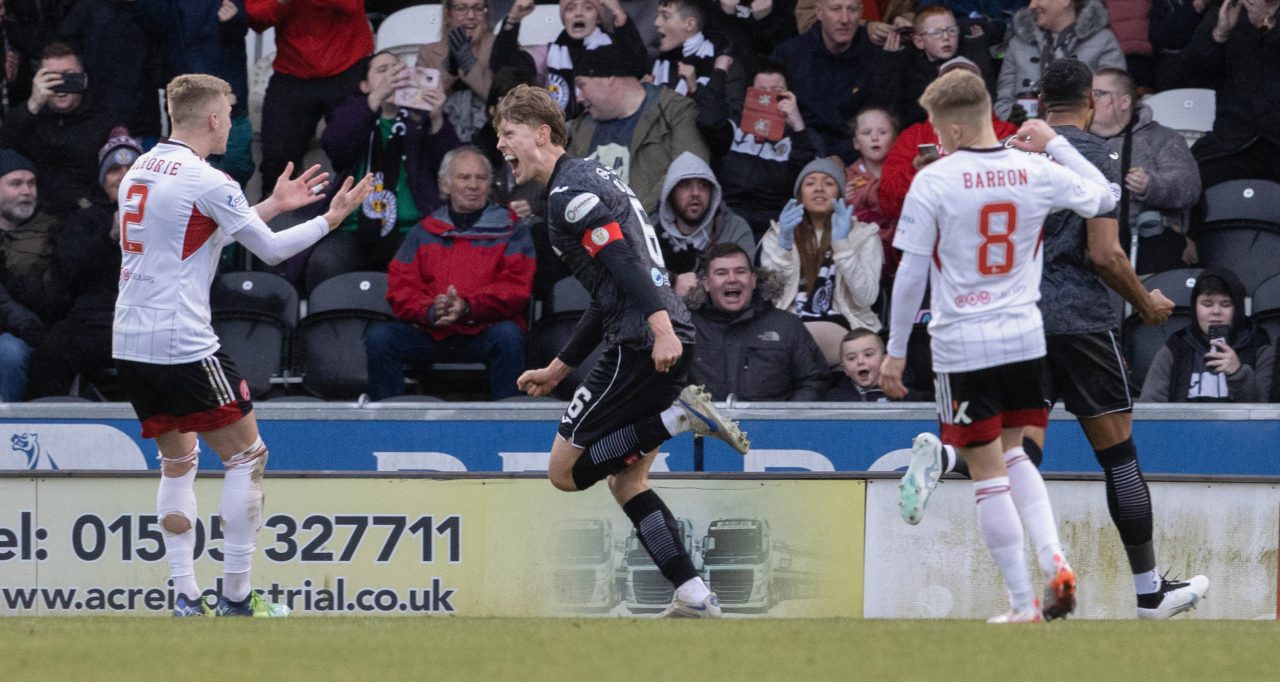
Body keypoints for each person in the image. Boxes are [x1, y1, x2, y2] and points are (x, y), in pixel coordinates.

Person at [895, 60, 1212, 621]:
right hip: (1083, 322)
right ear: (1090, 100)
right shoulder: (1095, 154)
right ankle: (1148, 594)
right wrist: (1145, 302)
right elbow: (1105, 252)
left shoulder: (1009, 151)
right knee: (1118, 457)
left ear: (1039, 101)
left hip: (1018, 322)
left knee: (1010, 453)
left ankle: (949, 457)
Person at [113, 74, 372, 617]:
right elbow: (273, 254)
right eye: (229, 113)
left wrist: (274, 203)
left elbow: (201, 231)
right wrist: (330, 219)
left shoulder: (140, 167)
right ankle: (235, 597)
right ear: (212, 120)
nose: (232, 123)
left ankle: (185, 596)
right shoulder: (210, 179)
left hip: (131, 339)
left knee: (178, 462)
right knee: (247, 457)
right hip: (182, 339)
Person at [495, 83, 749, 618]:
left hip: (642, 340)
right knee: (628, 481)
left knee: (565, 472)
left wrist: (658, 328)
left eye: (508, 134)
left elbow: (625, 266)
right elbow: (609, 286)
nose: (501, 146)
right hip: (661, 333)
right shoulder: (591, 178)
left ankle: (679, 419)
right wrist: (559, 366)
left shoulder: (568, 196)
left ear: (542, 134)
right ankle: (693, 594)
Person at [881, 68, 1119, 623]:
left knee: (987, 472)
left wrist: (894, 351)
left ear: (954, 129)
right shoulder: (1033, 168)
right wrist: (1055, 141)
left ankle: (1021, 604)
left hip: (962, 345)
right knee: (1017, 455)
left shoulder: (935, 182)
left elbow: (912, 274)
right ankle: (1054, 557)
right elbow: (1104, 197)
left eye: (938, 128)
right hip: (1024, 338)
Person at [365, 146, 534, 401]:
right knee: (380, 338)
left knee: (509, 336)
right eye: (464, 178)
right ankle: (387, 421)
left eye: (481, 178)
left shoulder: (512, 228)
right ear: (445, 185)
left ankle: (508, 423)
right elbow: (401, 288)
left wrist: (467, 307)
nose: (473, 185)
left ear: (490, 184)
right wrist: (431, 310)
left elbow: (515, 288)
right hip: (432, 330)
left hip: (484, 330)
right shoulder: (423, 231)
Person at [321, 50, 460, 273]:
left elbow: (452, 168)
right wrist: (376, 98)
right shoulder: (352, 114)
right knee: (324, 263)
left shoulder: (422, 120)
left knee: (420, 266)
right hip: (351, 226)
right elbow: (335, 144)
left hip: (411, 227)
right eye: (383, 71)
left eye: (398, 71)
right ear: (365, 86)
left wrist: (436, 118)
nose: (392, 77)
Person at [25, 134, 140, 400]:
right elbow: (71, 271)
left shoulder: (164, 214)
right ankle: (42, 429)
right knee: (51, 353)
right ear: (102, 179)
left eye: (131, 169)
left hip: (145, 319)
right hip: (94, 320)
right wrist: (108, 236)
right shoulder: (83, 219)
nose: (123, 176)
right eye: (114, 170)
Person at [761, 157, 883, 363]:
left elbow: (867, 297)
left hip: (847, 328)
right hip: (788, 325)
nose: (819, 189)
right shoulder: (776, 235)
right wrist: (784, 247)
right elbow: (771, 298)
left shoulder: (865, 235)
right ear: (800, 195)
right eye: (810, 183)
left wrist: (843, 244)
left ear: (841, 193)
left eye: (829, 183)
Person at [247, 0, 373, 198]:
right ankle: (273, 218)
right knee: (277, 156)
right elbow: (256, 19)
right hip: (292, 70)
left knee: (353, 147)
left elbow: (351, 6)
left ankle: (353, 215)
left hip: (348, 66)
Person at [566, 42, 710, 213]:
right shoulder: (582, 126)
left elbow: (690, 171)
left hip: (651, 231)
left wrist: (633, 220)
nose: (580, 98)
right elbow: (567, 186)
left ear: (608, 78)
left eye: (582, 85)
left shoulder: (675, 112)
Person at [879, 57, 1019, 225]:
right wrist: (915, 173)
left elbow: (1021, 191)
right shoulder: (915, 135)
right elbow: (888, 203)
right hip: (933, 238)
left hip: (984, 233)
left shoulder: (1005, 132)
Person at [1088, 67, 1201, 274]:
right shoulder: (1073, 142)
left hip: (1145, 243)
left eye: (1098, 94)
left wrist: (1151, 185)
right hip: (1086, 245)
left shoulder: (1162, 138)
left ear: (1124, 102)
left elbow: (1189, 187)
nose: (1088, 100)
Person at [694, 56, 819, 240]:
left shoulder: (801, 137)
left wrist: (797, 123)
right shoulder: (735, 129)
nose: (769, 99)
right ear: (749, 96)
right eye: (761, 92)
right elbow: (707, 120)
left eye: (777, 92)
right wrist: (720, 72)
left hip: (774, 229)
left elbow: (807, 177)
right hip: (727, 222)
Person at [686, 243, 829, 401]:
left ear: (753, 280)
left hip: (774, 424)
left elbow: (814, 380)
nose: (732, 279)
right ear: (706, 283)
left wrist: (789, 419)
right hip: (705, 425)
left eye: (740, 272)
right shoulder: (687, 327)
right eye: (721, 273)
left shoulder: (786, 325)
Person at [0, 42, 116, 217]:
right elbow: (4, 151)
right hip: (30, 218)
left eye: (69, 77)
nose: (61, 85)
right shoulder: (24, 118)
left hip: (85, 218)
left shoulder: (105, 123)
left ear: (83, 81)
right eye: (51, 78)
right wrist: (32, 106)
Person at [1179, 0, 1280, 189]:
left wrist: (1268, 24)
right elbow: (1189, 73)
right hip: (1232, 141)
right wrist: (1219, 34)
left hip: (1275, 139)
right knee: (1190, 180)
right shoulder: (1229, 9)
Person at [493, 0, 647, 121]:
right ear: (563, 18)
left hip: (605, 128)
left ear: (598, 17)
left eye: (588, 7)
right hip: (560, 135)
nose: (578, 14)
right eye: (570, 8)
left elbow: (640, 67)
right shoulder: (549, 52)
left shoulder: (615, 48)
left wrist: (619, 15)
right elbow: (503, 66)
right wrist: (512, 20)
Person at [772, 0, 888, 161]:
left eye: (852, 9)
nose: (845, 19)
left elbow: (879, 120)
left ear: (861, 12)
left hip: (856, 157)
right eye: (836, 9)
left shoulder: (877, 58)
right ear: (819, 12)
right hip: (798, 153)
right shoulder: (789, 54)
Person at [1140, 268, 1273, 402]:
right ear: (1194, 307)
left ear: (1238, 309)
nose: (1216, 311)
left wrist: (1238, 373)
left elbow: (1267, 413)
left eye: (1226, 304)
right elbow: (1150, 409)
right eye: (1207, 304)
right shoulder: (1174, 349)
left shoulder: (1260, 348)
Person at [0, 149, 67, 401]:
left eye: (31, 183)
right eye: (16, 184)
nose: (27, 191)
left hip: (30, 334)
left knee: (9, 351)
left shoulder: (52, 231)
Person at [995, 0, 1125, 120]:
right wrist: (1011, 116)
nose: (1032, 5)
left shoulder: (1103, 41)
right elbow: (1003, 101)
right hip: (1026, 137)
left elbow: (1113, 99)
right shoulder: (1018, 44)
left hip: (1084, 137)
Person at [870, 4, 994, 128]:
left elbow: (987, 96)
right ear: (919, 42)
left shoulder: (968, 63)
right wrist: (890, 60)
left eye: (951, 31)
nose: (946, 37)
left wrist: (978, 47)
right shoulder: (911, 69)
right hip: (924, 135)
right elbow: (889, 104)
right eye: (936, 33)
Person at [655, 151, 755, 297]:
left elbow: (743, 285)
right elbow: (638, 277)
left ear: (713, 192)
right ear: (670, 192)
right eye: (686, 185)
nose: (695, 193)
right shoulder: (648, 232)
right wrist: (672, 281)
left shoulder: (735, 229)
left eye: (702, 185)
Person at [844, 107, 899, 282]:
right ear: (855, 142)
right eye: (866, 133)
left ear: (895, 139)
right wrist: (842, 199)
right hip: (862, 260)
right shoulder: (847, 176)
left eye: (883, 132)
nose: (875, 138)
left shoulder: (905, 172)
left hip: (900, 252)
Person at [651, 0, 738, 98]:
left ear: (689, 24)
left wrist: (694, 89)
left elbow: (722, 111)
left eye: (666, 16)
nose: (656, 22)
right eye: (657, 16)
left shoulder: (723, 64)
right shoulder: (660, 60)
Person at [824, 328, 929, 401]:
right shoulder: (835, 399)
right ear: (845, 369)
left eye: (868, 354)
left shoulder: (905, 395)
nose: (860, 361)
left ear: (884, 360)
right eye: (851, 358)